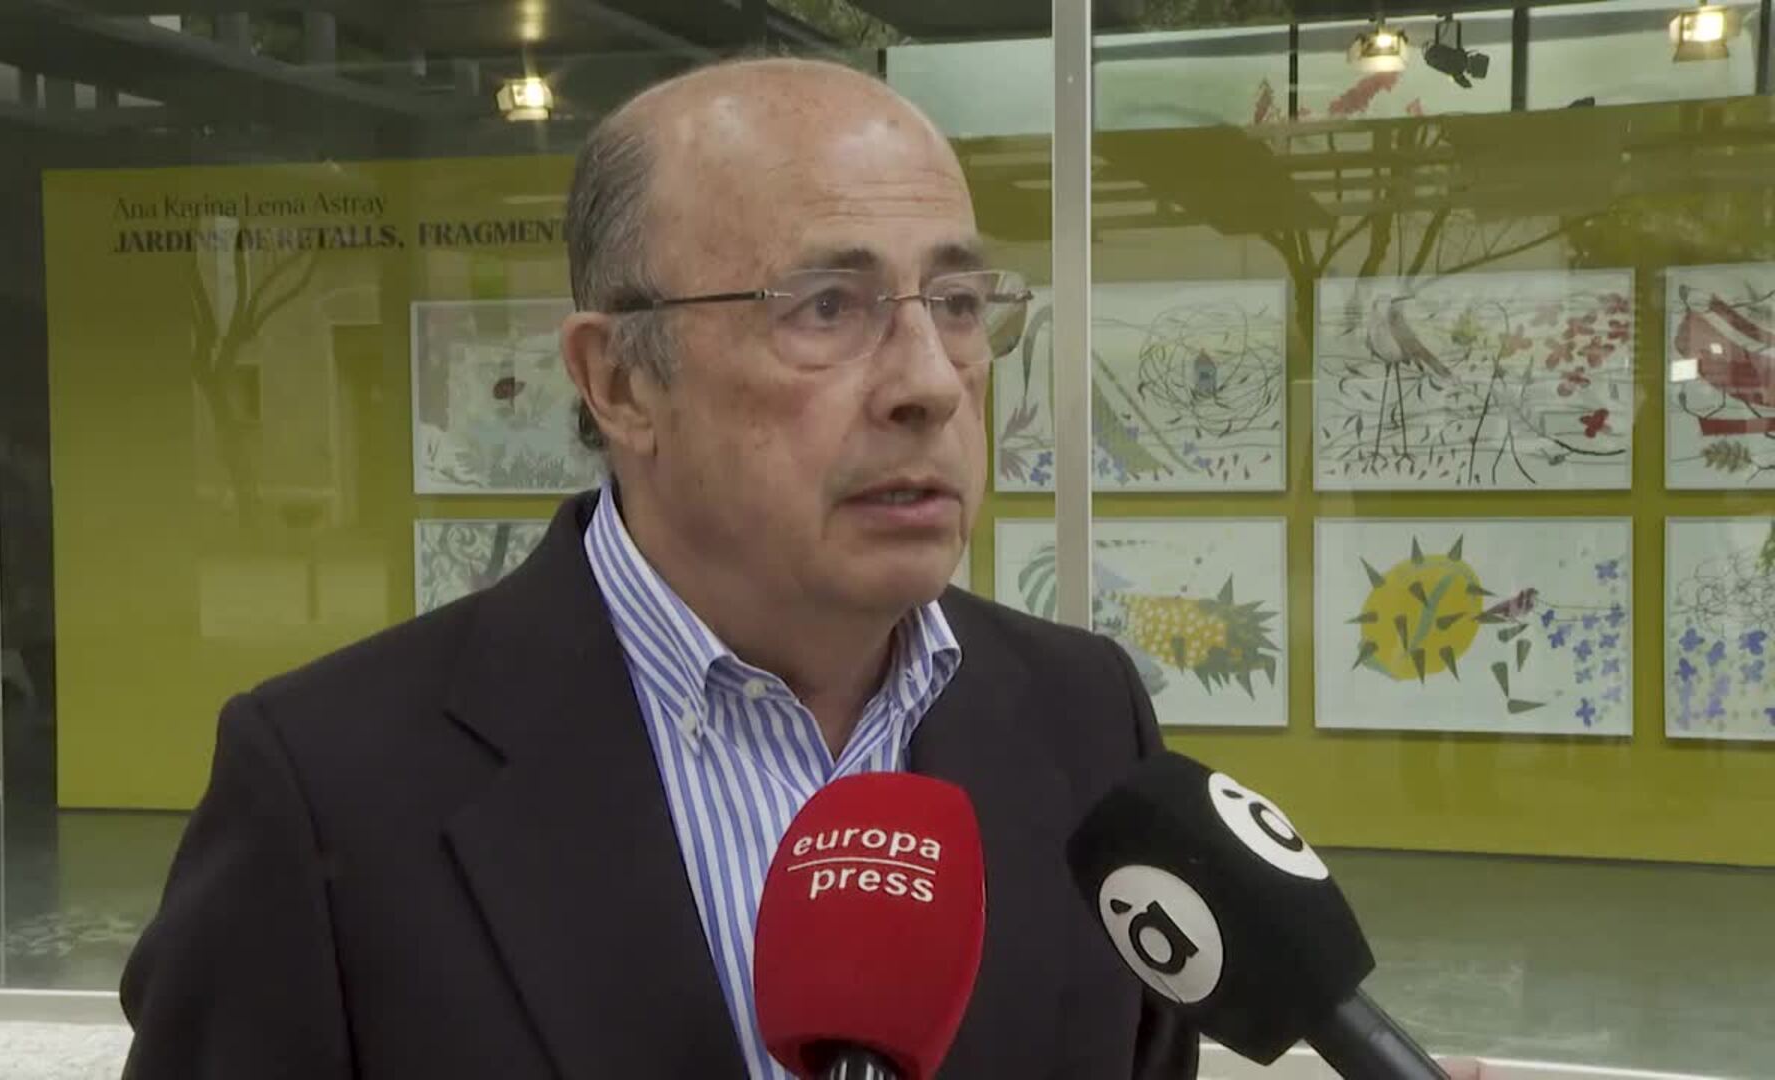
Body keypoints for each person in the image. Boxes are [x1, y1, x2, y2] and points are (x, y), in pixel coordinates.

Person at [120, 56, 1489, 1079]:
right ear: (618, 382)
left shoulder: (1084, 724)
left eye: (959, 303)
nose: (930, 383)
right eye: (827, 307)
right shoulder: (332, 788)